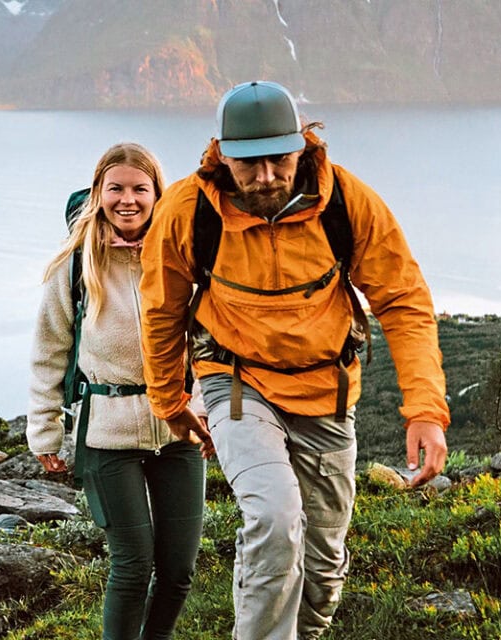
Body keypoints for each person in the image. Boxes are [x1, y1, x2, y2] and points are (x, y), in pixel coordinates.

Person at [138, 81, 450, 639]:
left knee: (324, 561)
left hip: (326, 393)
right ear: (223, 155)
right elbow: (161, 309)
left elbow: (402, 301)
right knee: (274, 519)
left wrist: (425, 409)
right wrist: (171, 399)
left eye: (280, 160)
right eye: (249, 164)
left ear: (302, 146)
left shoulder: (347, 202)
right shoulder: (188, 210)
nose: (266, 178)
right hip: (234, 380)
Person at [28, 142, 210, 640]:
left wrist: (212, 406)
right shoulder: (74, 267)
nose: (127, 200)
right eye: (116, 189)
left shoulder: (182, 257)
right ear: (98, 193)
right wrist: (45, 433)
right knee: (132, 568)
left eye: (139, 189)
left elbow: (211, 339)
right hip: (106, 437)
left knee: (177, 572)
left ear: (157, 195)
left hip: (179, 431)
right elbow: (48, 351)